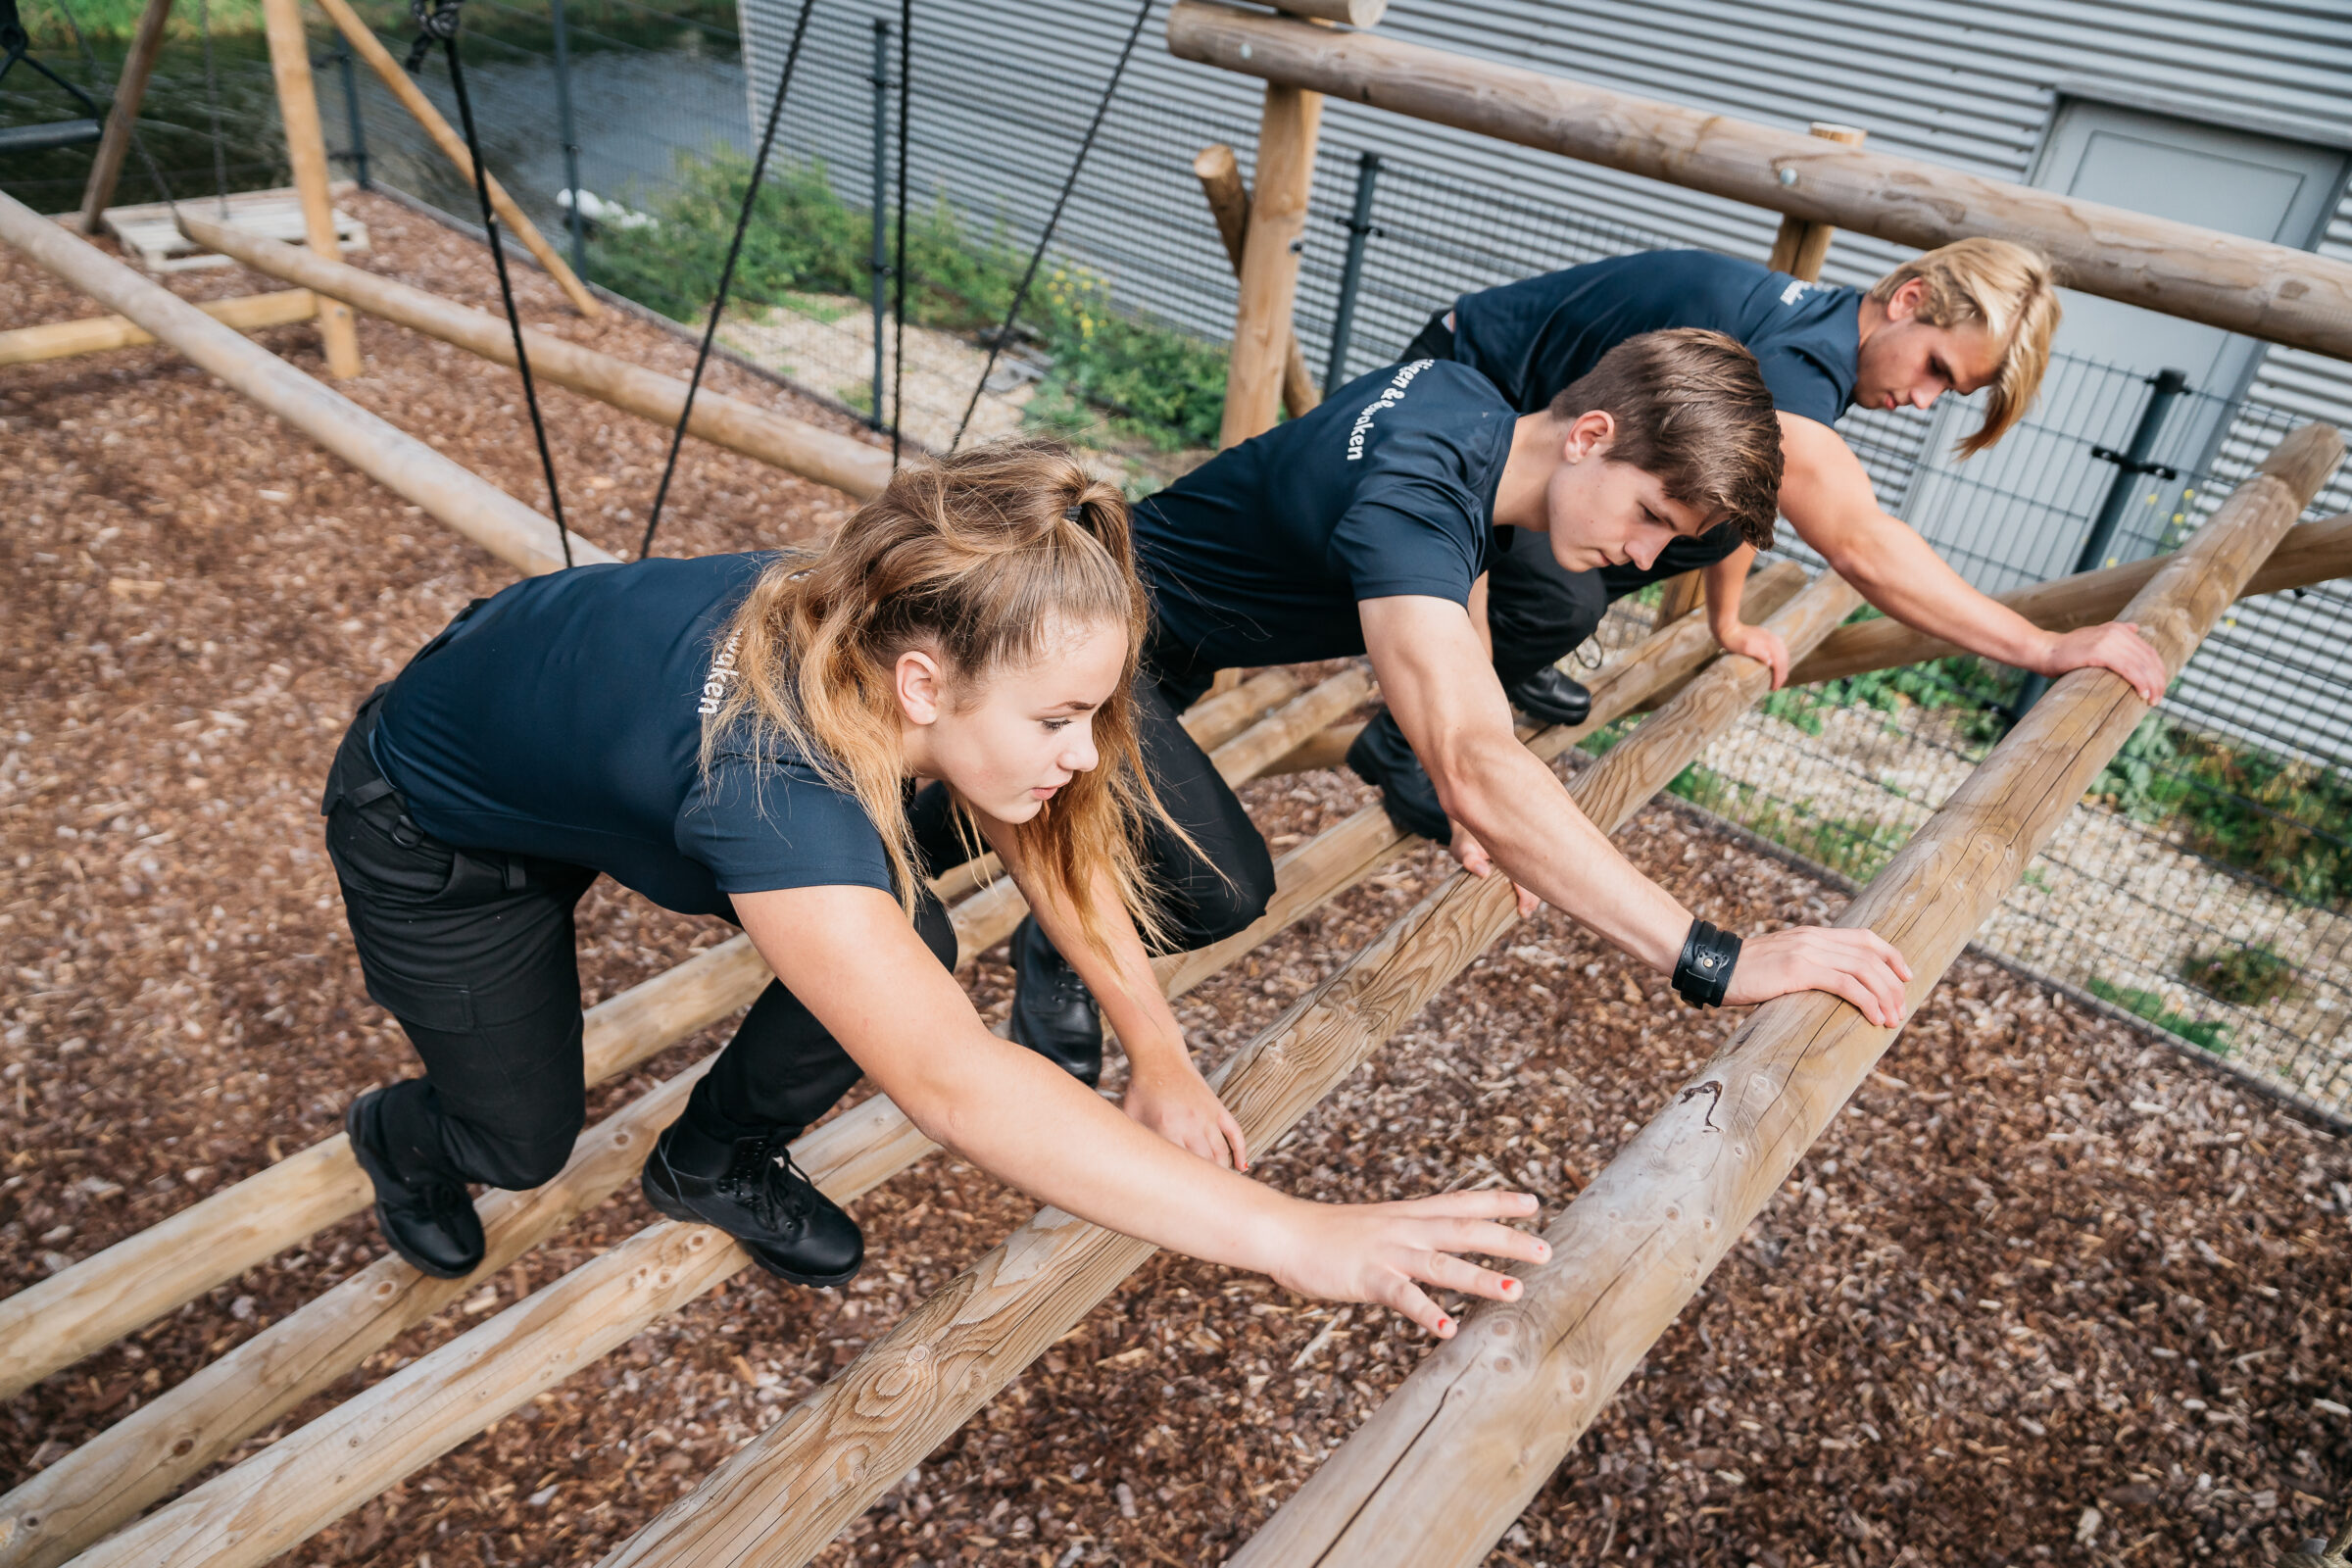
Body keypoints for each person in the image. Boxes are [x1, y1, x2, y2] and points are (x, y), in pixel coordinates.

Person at [321, 442, 1544, 1337]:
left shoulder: (897, 620)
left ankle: (711, 1156)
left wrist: (1157, 1055)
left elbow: (1045, 833)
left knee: (909, 932)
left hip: (580, 721)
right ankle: (406, 1136)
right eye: (1060, 719)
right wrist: (1297, 1232)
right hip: (438, 828)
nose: (1083, 756)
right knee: (523, 1142)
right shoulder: (776, 783)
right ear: (923, 687)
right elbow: (954, 1083)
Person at [1006, 329, 1913, 1078]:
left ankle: (989, 935)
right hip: (1064, 632)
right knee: (1219, 889)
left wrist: (1481, 797)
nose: (1645, 558)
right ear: (1591, 436)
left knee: (928, 838)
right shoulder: (1413, 499)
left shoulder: (1465, 403)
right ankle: (1006, 961)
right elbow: (1479, 749)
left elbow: (1464, 597)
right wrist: (1719, 959)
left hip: (1146, 636)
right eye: (1650, 515)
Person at [1344, 238, 2171, 849]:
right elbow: (1859, 542)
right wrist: (2042, 647)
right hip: (1462, 392)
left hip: (1555, 430)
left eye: (1944, 392)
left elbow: (1742, 489)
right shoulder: (1803, 364)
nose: (1923, 402)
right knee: (1562, 596)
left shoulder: (1817, 335)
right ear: (1910, 301)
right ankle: (1399, 739)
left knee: (1704, 520)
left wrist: (1727, 623)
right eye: (1935, 372)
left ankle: (1517, 652)